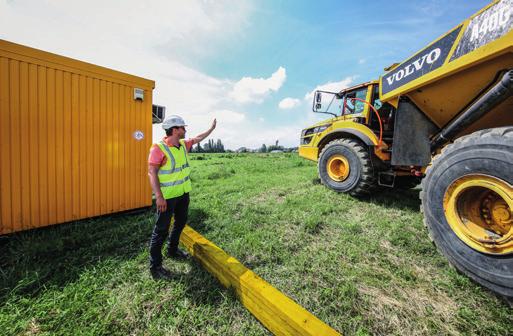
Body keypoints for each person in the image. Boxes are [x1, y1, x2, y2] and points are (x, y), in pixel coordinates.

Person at [147, 115, 216, 279]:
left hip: (183, 194)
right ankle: (155, 267)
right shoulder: (158, 148)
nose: (185, 130)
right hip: (167, 197)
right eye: (183, 128)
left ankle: (172, 249)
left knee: (181, 222)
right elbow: (152, 172)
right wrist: (159, 197)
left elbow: (198, 138)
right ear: (175, 130)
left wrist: (211, 129)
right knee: (161, 231)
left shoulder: (184, 145)